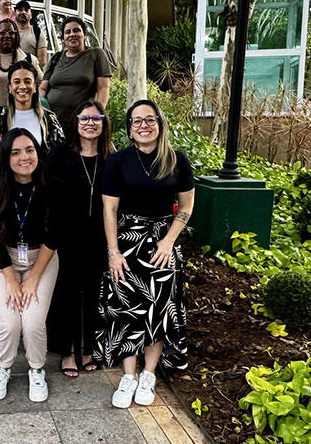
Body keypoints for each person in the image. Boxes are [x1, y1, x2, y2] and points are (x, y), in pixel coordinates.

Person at [98, 99, 193, 408]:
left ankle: (149, 373)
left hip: (163, 242)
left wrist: (168, 242)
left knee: (159, 308)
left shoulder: (178, 160)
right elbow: (109, 209)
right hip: (126, 241)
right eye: (136, 121)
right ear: (129, 129)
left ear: (159, 123)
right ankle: (128, 375)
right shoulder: (118, 161)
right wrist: (113, 252)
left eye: (149, 119)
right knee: (127, 307)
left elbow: (187, 207)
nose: (143, 125)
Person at [0, 128, 60, 403]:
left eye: (29, 150)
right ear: (6, 158)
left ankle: (36, 369)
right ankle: (2, 367)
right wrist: (12, 281)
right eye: (15, 152)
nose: (24, 157)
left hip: (42, 259)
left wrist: (32, 279)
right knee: (10, 322)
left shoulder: (52, 187)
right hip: (4, 260)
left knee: (34, 322)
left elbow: (53, 237)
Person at [45, 100, 114, 377]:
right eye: (84, 118)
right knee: (68, 293)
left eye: (96, 118)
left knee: (93, 293)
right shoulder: (60, 153)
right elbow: (47, 193)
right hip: (67, 235)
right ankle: (66, 351)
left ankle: (87, 349)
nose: (90, 123)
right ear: (75, 122)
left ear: (104, 123)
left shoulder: (112, 157)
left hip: (100, 235)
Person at [39, 16, 115, 134]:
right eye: (67, 32)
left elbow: (103, 88)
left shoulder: (95, 55)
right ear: (63, 39)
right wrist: (39, 111)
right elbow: (43, 88)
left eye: (76, 30)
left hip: (82, 123)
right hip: (53, 124)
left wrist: (96, 115)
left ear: (85, 35)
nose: (72, 34)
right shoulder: (56, 58)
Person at [0, 60, 64, 152]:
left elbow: (60, 155)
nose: (22, 86)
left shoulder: (49, 119)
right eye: (17, 82)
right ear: (9, 87)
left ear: (34, 87)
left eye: (27, 81)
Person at [0, 18, 43, 107]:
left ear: (16, 36)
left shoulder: (29, 60)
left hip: (20, 114)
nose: (7, 35)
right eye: (2, 32)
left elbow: (40, 82)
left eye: (11, 33)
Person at [15, 0, 47, 65]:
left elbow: (42, 61)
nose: (23, 12)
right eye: (20, 10)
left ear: (31, 15)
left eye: (26, 10)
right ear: (14, 14)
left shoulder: (37, 32)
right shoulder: (9, 32)